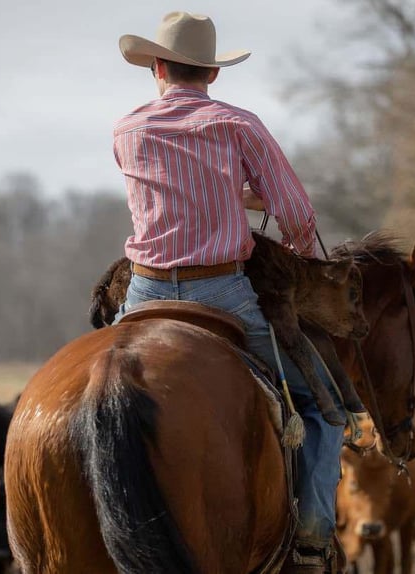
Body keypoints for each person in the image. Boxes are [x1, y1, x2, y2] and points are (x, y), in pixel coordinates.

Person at [113, 11, 361, 573]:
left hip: (145, 294)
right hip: (221, 292)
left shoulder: (126, 129)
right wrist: (296, 253)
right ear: (212, 75)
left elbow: (169, 190)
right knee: (323, 410)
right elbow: (298, 213)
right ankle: (313, 539)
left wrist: (227, 193)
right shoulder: (237, 124)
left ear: (156, 67)